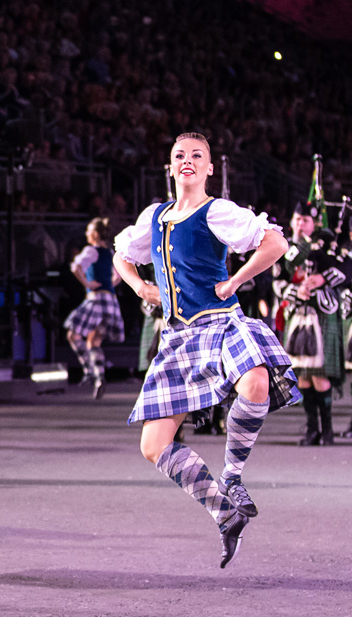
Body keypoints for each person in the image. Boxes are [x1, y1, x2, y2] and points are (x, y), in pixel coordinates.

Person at [113, 133, 300, 568]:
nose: (188, 161)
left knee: (255, 383)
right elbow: (122, 255)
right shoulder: (155, 217)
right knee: (153, 444)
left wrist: (235, 281)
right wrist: (141, 285)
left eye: (197, 156)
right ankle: (223, 511)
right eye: (180, 155)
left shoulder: (217, 211)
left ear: (210, 168)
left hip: (220, 324)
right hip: (178, 337)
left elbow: (275, 243)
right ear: (170, 165)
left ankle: (232, 477)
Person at [274, 203, 347, 446]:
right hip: (298, 317)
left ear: (315, 223)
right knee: (303, 377)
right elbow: (279, 278)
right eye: (297, 219)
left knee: (320, 376)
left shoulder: (329, 246)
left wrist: (322, 278)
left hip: (321, 317)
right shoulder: (286, 249)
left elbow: (347, 269)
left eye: (305, 220)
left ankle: (327, 431)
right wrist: (296, 290)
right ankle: (312, 430)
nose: (299, 224)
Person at [64, 217, 124, 399]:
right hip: (110, 301)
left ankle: (90, 370)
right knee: (94, 341)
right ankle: (99, 377)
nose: (86, 235)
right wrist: (109, 285)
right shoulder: (110, 252)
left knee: (72, 334)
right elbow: (119, 275)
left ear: (95, 234)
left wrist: (87, 283)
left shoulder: (91, 250)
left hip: (96, 299)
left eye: (89, 231)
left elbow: (75, 267)